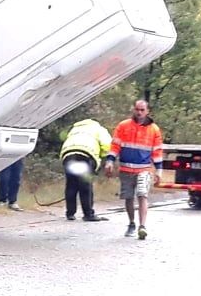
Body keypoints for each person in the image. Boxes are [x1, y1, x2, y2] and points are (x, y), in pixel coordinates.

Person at [104, 99, 163, 239]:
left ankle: (142, 226)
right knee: (128, 197)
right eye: (137, 109)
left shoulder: (154, 129)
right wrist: (110, 161)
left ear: (147, 111)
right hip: (126, 169)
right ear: (133, 110)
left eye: (142, 110)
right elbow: (115, 146)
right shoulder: (123, 126)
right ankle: (131, 223)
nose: (139, 112)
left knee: (142, 195)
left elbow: (157, 151)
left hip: (144, 169)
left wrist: (159, 171)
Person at [59, 119, 112, 222]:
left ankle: (70, 213)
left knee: (71, 184)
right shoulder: (99, 129)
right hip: (85, 155)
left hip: (68, 155)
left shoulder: (75, 129)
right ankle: (88, 214)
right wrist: (103, 156)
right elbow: (107, 145)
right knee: (85, 185)